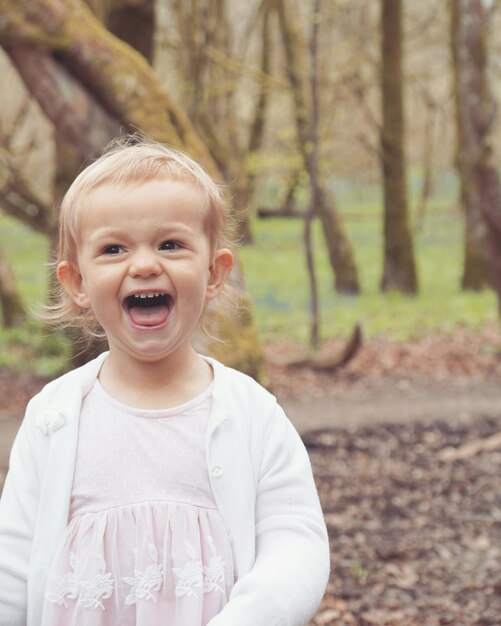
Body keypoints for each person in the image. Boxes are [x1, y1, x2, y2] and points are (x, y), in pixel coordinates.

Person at [0, 137, 330, 626]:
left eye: (170, 244)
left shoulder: (251, 413)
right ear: (77, 284)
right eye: (113, 249)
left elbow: (296, 543)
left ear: (215, 272)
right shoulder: (55, 416)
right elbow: (13, 559)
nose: (145, 264)